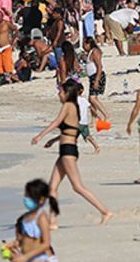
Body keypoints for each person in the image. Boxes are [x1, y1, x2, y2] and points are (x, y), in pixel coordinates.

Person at [32, 79, 113, 222]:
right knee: (52, 188)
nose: (59, 94)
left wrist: (40, 136)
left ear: (67, 93)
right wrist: (53, 140)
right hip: (66, 150)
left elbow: (56, 122)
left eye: (60, 92)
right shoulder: (73, 106)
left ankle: (105, 211)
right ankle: (53, 221)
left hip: (68, 151)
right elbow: (70, 130)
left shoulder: (68, 105)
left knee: (77, 186)